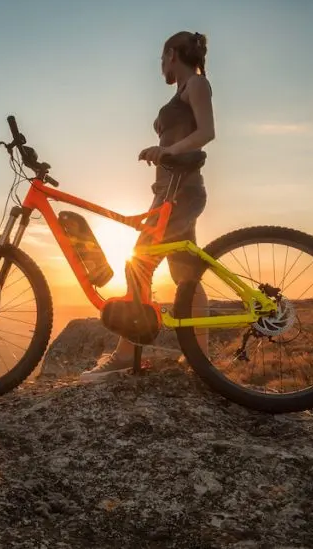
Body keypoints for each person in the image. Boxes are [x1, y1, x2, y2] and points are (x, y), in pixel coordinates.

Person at [80, 30, 215, 381]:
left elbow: (207, 132)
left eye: (161, 58)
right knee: (186, 275)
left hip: (181, 191)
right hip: (169, 191)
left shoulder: (196, 85)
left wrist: (168, 151)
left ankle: (126, 354)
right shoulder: (181, 91)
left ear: (172, 53)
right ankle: (200, 358)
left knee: (138, 262)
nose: (160, 66)